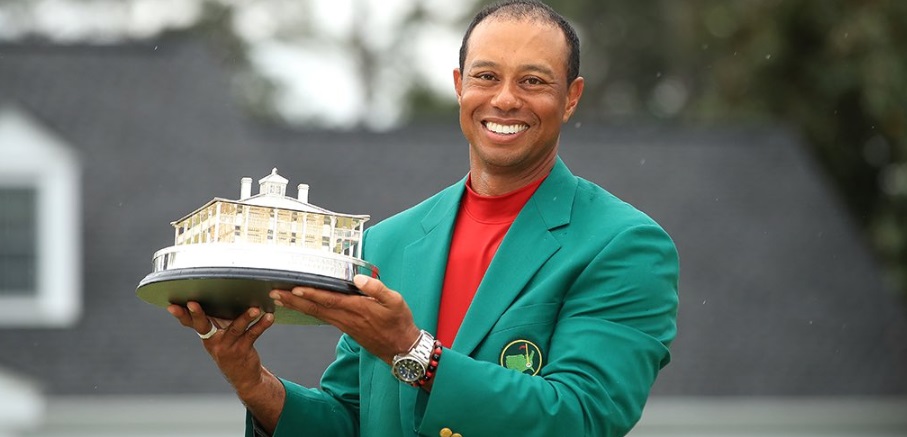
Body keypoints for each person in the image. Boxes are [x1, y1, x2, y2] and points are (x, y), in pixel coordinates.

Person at [168, 1, 679, 436]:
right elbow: (349, 419)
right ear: (460, 86)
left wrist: (414, 351)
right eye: (486, 76)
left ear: (571, 98)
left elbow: (582, 417)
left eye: (533, 81)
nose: (504, 98)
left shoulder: (623, 244)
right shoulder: (386, 243)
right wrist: (253, 383)